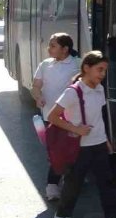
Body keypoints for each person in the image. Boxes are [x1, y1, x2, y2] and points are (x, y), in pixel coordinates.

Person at [50, 51, 116, 218]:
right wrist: (76, 129)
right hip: (79, 147)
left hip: (98, 144)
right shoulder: (73, 92)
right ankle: (61, 217)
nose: (102, 74)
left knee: (106, 182)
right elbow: (52, 116)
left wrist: (105, 139)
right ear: (86, 68)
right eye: (99, 70)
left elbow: (99, 118)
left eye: (105, 71)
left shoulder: (99, 89)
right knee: (74, 183)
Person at [32, 33, 81, 201]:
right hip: (49, 117)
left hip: (71, 118)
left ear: (65, 48)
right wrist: (38, 97)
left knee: (68, 151)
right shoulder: (45, 64)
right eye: (50, 45)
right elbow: (36, 86)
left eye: (53, 45)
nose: (49, 48)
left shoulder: (77, 64)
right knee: (54, 152)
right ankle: (53, 186)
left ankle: (61, 182)